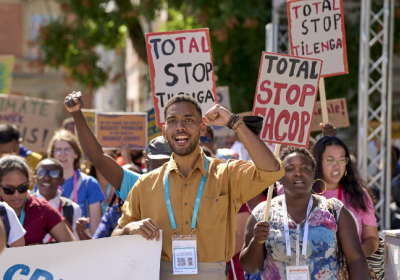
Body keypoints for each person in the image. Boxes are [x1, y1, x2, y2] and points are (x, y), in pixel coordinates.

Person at [112, 95, 284, 279]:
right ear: (164, 131)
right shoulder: (144, 184)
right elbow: (116, 238)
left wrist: (233, 122)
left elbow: (272, 171)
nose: (180, 126)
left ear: (202, 128)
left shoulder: (227, 174)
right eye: (172, 121)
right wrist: (128, 229)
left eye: (189, 120)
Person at [240, 146, 369, 279]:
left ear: (314, 174)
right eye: (290, 169)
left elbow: (355, 260)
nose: (298, 173)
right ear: (279, 177)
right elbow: (251, 268)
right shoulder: (262, 213)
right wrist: (257, 241)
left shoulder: (335, 210)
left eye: (304, 168)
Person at [64, 91, 142, 202]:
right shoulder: (141, 183)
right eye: (108, 157)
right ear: (148, 162)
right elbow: (97, 156)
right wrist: (76, 113)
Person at [312, 136, 379, 257]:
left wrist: (351, 258)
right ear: (317, 162)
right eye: (330, 160)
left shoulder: (359, 195)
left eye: (342, 160)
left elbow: (372, 239)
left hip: (350, 272)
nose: (337, 166)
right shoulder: (305, 195)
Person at [0, 155, 75, 245]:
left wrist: (42, 250)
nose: (16, 195)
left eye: (22, 188)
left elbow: (72, 246)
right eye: (9, 190)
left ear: (30, 182)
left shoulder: (42, 209)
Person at [47, 129, 105, 235]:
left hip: (81, 246)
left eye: (67, 150)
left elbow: (95, 230)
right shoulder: (44, 184)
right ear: (53, 154)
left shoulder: (89, 184)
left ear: (76, 154)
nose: (62, 154)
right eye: (58, 150)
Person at [34, 158, 82, 241]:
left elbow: (75, 245)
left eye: (54, 173)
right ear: (35, 179)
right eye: (41, 172)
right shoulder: (25, 205)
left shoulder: (72, 209)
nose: (47, 178)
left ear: (61, 181)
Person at [0, 124, 42, 189]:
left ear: (19, 142)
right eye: (3, 152)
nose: (9, 156)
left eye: (13, 151)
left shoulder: (37, 161)